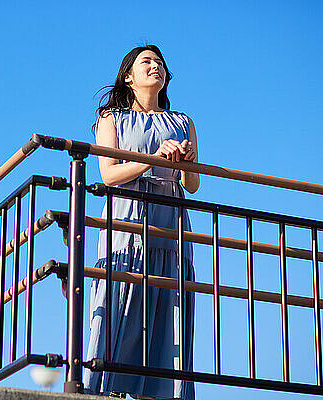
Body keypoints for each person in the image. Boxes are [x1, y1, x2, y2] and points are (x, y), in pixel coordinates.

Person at [83, 44, 199, 400]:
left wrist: (185, 163)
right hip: (128, 222)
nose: (156, 66)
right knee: (119, 303)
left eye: (160, 62)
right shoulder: (111, 118)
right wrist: (152, 158)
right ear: (128, 76)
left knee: (169, 315)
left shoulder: (184, 122)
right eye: (146, 61)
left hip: (170, 222)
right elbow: (109, 174)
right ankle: (106, 390)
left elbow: (192, 185)